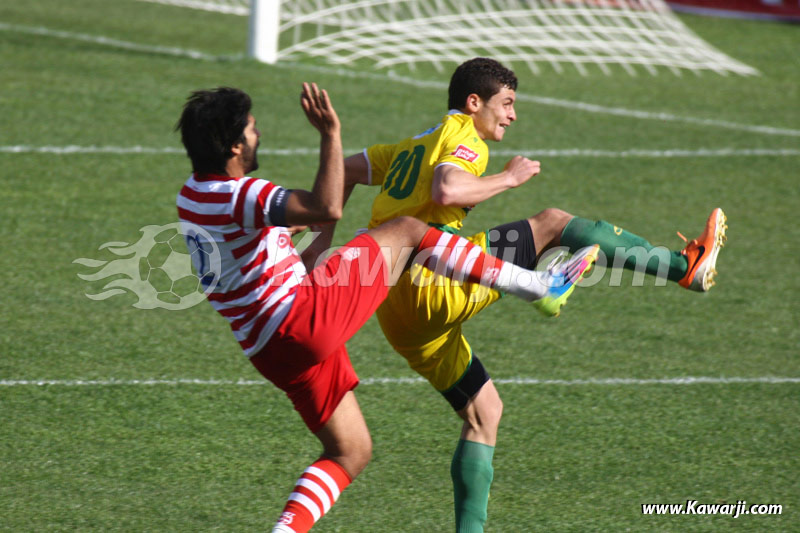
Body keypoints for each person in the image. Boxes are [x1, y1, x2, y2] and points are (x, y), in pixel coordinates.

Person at [313, 58, 727, 532]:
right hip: (435, 282)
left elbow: (343, 169)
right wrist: (508, 178)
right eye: (506, 104)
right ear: (474, 103)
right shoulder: (463, 138)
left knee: (484, 412)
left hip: (394, 305)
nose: (511, 115)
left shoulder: (415, 142)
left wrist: (321, 244)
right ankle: (681, 267)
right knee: (552, 222)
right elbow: (448, 188)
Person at [175, 83, 598, 533]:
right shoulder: (244, 195)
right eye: (253, 129)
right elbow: (326, 203)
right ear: (236, 146)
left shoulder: (192, 196)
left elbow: (283, 237)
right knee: (408, 229)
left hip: (270, 350)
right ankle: (535, 285)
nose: (260, 135)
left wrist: (314, 245)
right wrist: (330, 133)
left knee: (350, 452)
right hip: (300, 319)